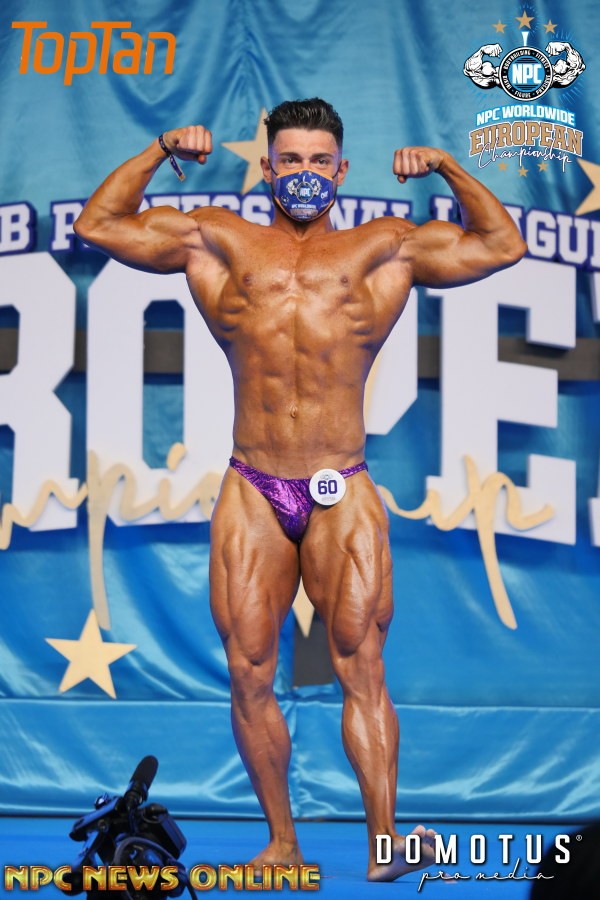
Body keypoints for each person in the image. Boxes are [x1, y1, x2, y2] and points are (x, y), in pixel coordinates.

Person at [74, 98, 526, 881]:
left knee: (361, 664)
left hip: (340, 484)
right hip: (253, 485)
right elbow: (100, 224)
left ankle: (384, 844)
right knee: (249, 671)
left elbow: (502, 244)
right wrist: (160, 147)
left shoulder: (384, 247)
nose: (305, 174)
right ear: (267, 166)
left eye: (320, 161)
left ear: (342, 169)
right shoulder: (217, 238)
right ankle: (283, 843)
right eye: (290, 160)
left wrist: (449, 167)